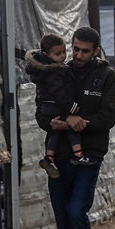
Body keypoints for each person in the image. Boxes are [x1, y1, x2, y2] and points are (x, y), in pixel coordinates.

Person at [36, 27, 115, 229]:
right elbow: (41, 110)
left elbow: (108, 117)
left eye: (85, 50)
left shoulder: (106, 76)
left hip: (88, 157)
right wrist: (56, 123)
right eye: (75, 49)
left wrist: (77, 122)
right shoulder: (58, 71)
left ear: (96, 50)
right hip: (58, 160)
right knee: (64, 228)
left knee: (76, 213)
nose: (79, 55)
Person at [25, 33, 89, 177]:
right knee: (72, 125)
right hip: (55, 105)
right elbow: (58, 93)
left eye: (64, 52)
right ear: (46, 55)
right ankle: (78, 154)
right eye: (58, 54)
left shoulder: (44, 70)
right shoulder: (55, 71)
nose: (63, 56)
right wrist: (72, 107)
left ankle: (49, 157)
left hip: (47, 107)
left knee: (56, 131)